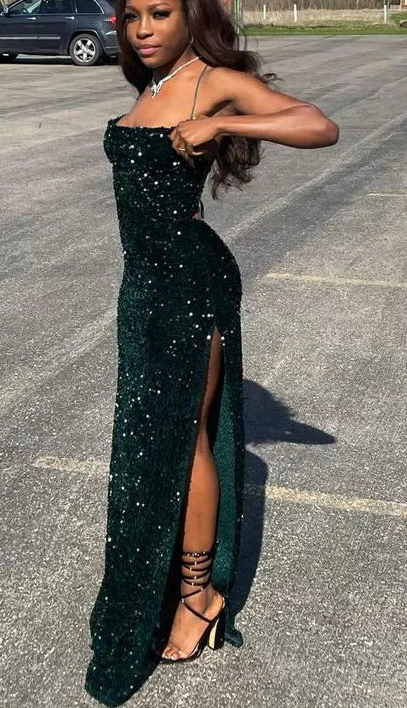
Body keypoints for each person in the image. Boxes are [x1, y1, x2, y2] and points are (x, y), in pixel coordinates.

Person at [85, 0, 339, 705]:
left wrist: (225, 122)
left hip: (189, 286)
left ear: (190, 16)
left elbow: (319, 125)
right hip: (143, 287)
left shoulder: (211, 79)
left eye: (160, 13)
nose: (142, 28)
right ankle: (162, 581)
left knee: (186, 437)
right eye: (131, 15)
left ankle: (198, 597)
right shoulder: (154, 84)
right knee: (145, 439)